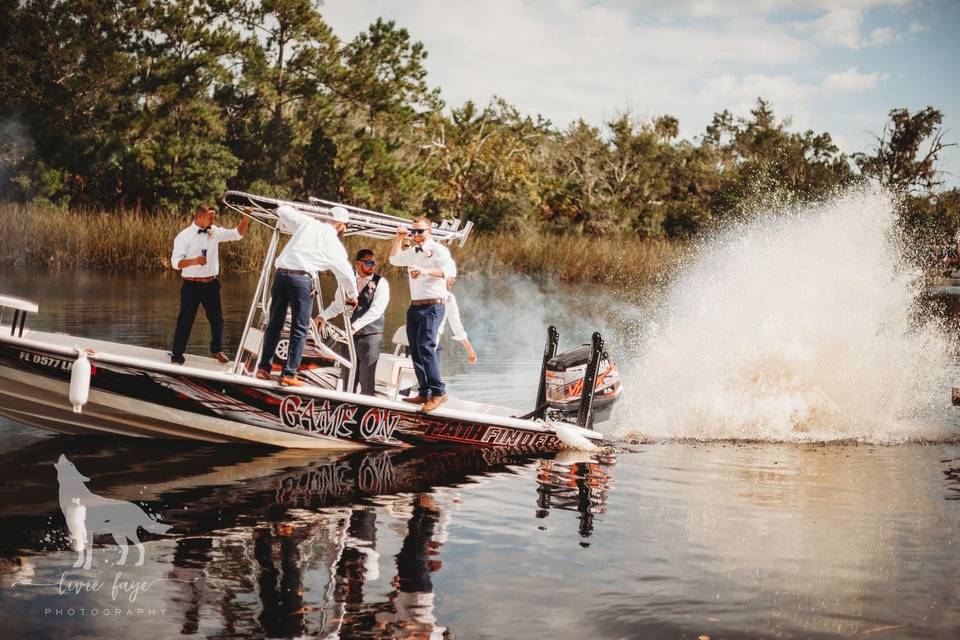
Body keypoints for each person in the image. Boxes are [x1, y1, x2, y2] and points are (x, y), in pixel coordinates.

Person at [256, 205, 358, 387]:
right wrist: (352, 294)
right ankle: (289, 373)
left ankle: (263, 368)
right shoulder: (334, 244)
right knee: (300, 329)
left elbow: (283, 211)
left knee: (274, 324)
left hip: (280, 276)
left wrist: (293, 207)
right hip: (302, 281)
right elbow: (347, 274)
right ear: (341, 225)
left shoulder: (307, 223)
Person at [389, 216, 456, 412]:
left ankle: (438, 392)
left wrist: (425, 271)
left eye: (420, 231)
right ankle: (425, 391)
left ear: (429, 231)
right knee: (416, 349)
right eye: (413, 231)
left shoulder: (438, 250)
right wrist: (398, 239)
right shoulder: (412, 251)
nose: (416, 235)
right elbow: (393, 260)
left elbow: (450, 271)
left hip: (433, 305)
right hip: (416, 306)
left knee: (427, 347)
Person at [170, 203, 250, 365]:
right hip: (191, 286)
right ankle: (177, 355)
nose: (213, 219)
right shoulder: (184, 236)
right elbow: (175, 263)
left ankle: (216, 350)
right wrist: (193, 261)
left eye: (214, 216)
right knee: (185, 320)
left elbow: (237, 234)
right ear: (199, 217)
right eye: (210, 217)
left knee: (217, 320)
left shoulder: (215, 232)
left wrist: (246, 217)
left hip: (211, 284)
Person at [316, 248, 390, 395]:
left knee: (366, 378)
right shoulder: (347, 282)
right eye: (369, 263)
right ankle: (346, 408)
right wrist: (322, 316)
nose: (372, 266)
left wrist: (355, 327)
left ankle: (365, 412)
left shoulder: (381, 283)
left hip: (371, 336)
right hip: (349, 337)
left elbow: (376, 310)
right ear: (358, 264)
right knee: (348, 374)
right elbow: (338, 305)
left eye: (374, 263)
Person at [440, 277, 477, 364]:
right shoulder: (448, 297)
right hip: (428, 340)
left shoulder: (449, 297)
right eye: (450, 275)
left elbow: (456, 325)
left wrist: (469, 349)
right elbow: (456, 325)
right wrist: (469, 349)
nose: (454, 280)